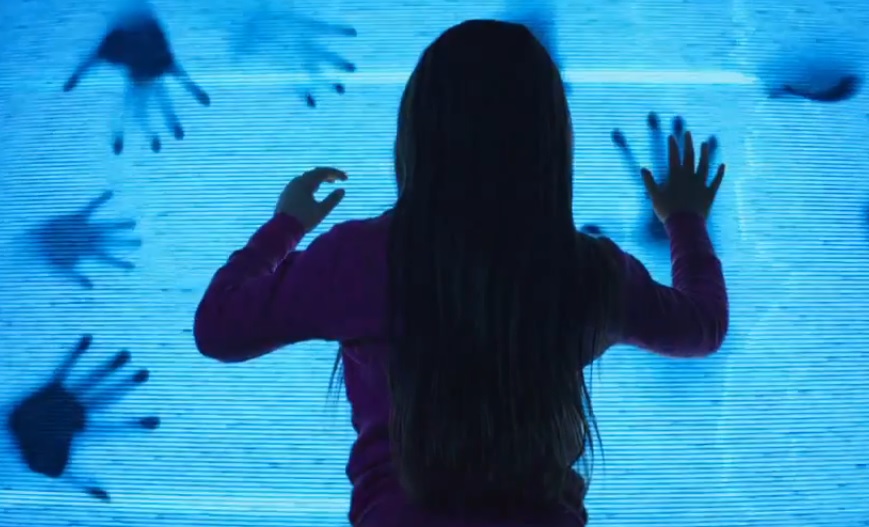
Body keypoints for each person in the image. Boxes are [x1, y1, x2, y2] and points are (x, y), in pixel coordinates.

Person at [193, 19, 728, 527]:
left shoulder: (359, 258)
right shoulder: (587, 272)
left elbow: (219, 326)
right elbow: (702, 325)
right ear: (550, 141)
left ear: (418, 133)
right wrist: (684, 221)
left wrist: (286, 225)